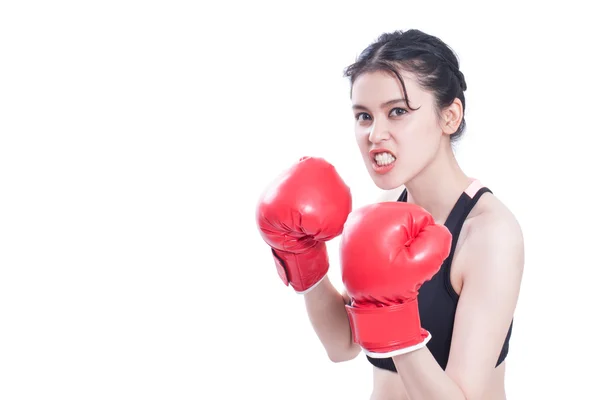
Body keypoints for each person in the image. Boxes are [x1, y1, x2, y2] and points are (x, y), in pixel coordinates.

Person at [256, 29, 524, 400]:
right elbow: (342, 345)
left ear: (450, 116)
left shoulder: (489, 233)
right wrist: (303, 256)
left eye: (397, 112)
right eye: (364, 116)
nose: (374, 133)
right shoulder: (389, 219)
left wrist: (395, 316)